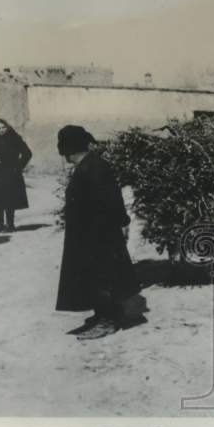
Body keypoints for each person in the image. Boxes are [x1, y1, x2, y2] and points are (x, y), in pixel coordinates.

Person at [55, 125, 143, 341]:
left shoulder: (95, 167)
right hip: (87, 235)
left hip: (98, 235)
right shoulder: (87, 165)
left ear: (68, 148)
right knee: (91, 277)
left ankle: (108, 321)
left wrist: (116, 227)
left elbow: (111, 201)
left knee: (102, 277)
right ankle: (102, 315)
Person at [0, 119, 32, 232]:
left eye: (3, 127)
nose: (1, 130)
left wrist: (18, 166)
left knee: (9, 199)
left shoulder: (15, 138)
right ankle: (0, 225)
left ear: (7, 127)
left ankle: (10, 225)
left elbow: (27, 153)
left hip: (10, 173)